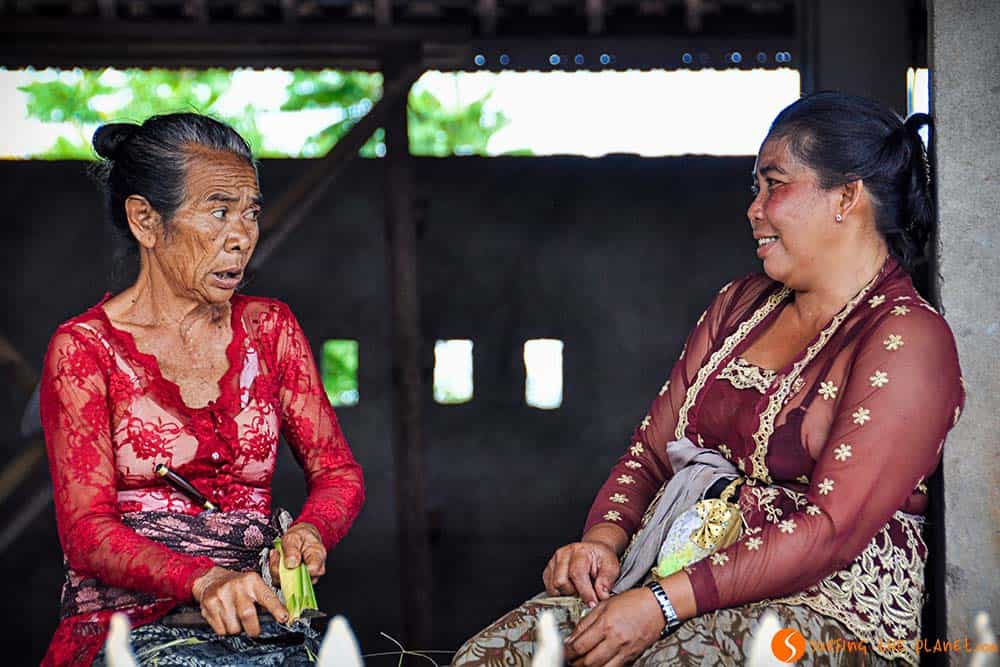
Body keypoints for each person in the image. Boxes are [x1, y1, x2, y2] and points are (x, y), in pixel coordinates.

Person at [453, 92, 964, 666]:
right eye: (756, 189)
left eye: (775, 185)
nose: (755, 209)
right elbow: (652, 452)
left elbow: (831, 530)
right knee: (496, 654)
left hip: (824, 612)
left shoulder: (907, 337)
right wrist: (601, 542)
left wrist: (661, 606)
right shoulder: (740, 305)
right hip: (665, 579)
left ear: (846, 196)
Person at [39, 113, 365, 665]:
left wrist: (310, 531)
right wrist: (204, 579)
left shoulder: (270, 329)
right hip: (128, 634)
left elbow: (337, 473)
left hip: (261, 628)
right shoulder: (85, 349)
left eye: (250, 213)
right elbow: (87, 531)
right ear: (145, 220)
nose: (241, 237)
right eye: (218, 212)